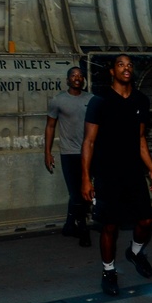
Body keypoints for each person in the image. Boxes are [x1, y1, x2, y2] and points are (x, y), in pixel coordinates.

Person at [81, 55, 152, 296]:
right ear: (111, 72)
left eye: (129, 65)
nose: (126, 68)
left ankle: (135, 252)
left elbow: (140, 139)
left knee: (146, 220)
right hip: (107, 174)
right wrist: (85, 178)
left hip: (133, 173)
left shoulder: (141, 100)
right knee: (110, 226)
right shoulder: (100, 101)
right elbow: (89, 141)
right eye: (120, 64)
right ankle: (108, 271)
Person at [45, 66, 94, 248]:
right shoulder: (58, 100)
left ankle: (68, 226)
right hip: (69, 154)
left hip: (88, 154)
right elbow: (50, 127)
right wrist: (47, 152)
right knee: (76, 193)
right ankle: (82, 230)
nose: (77, 78)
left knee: (80, 193)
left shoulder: (91, 99)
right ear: (67, 80)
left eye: (80, 75)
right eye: (73, 75)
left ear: (83, 80)